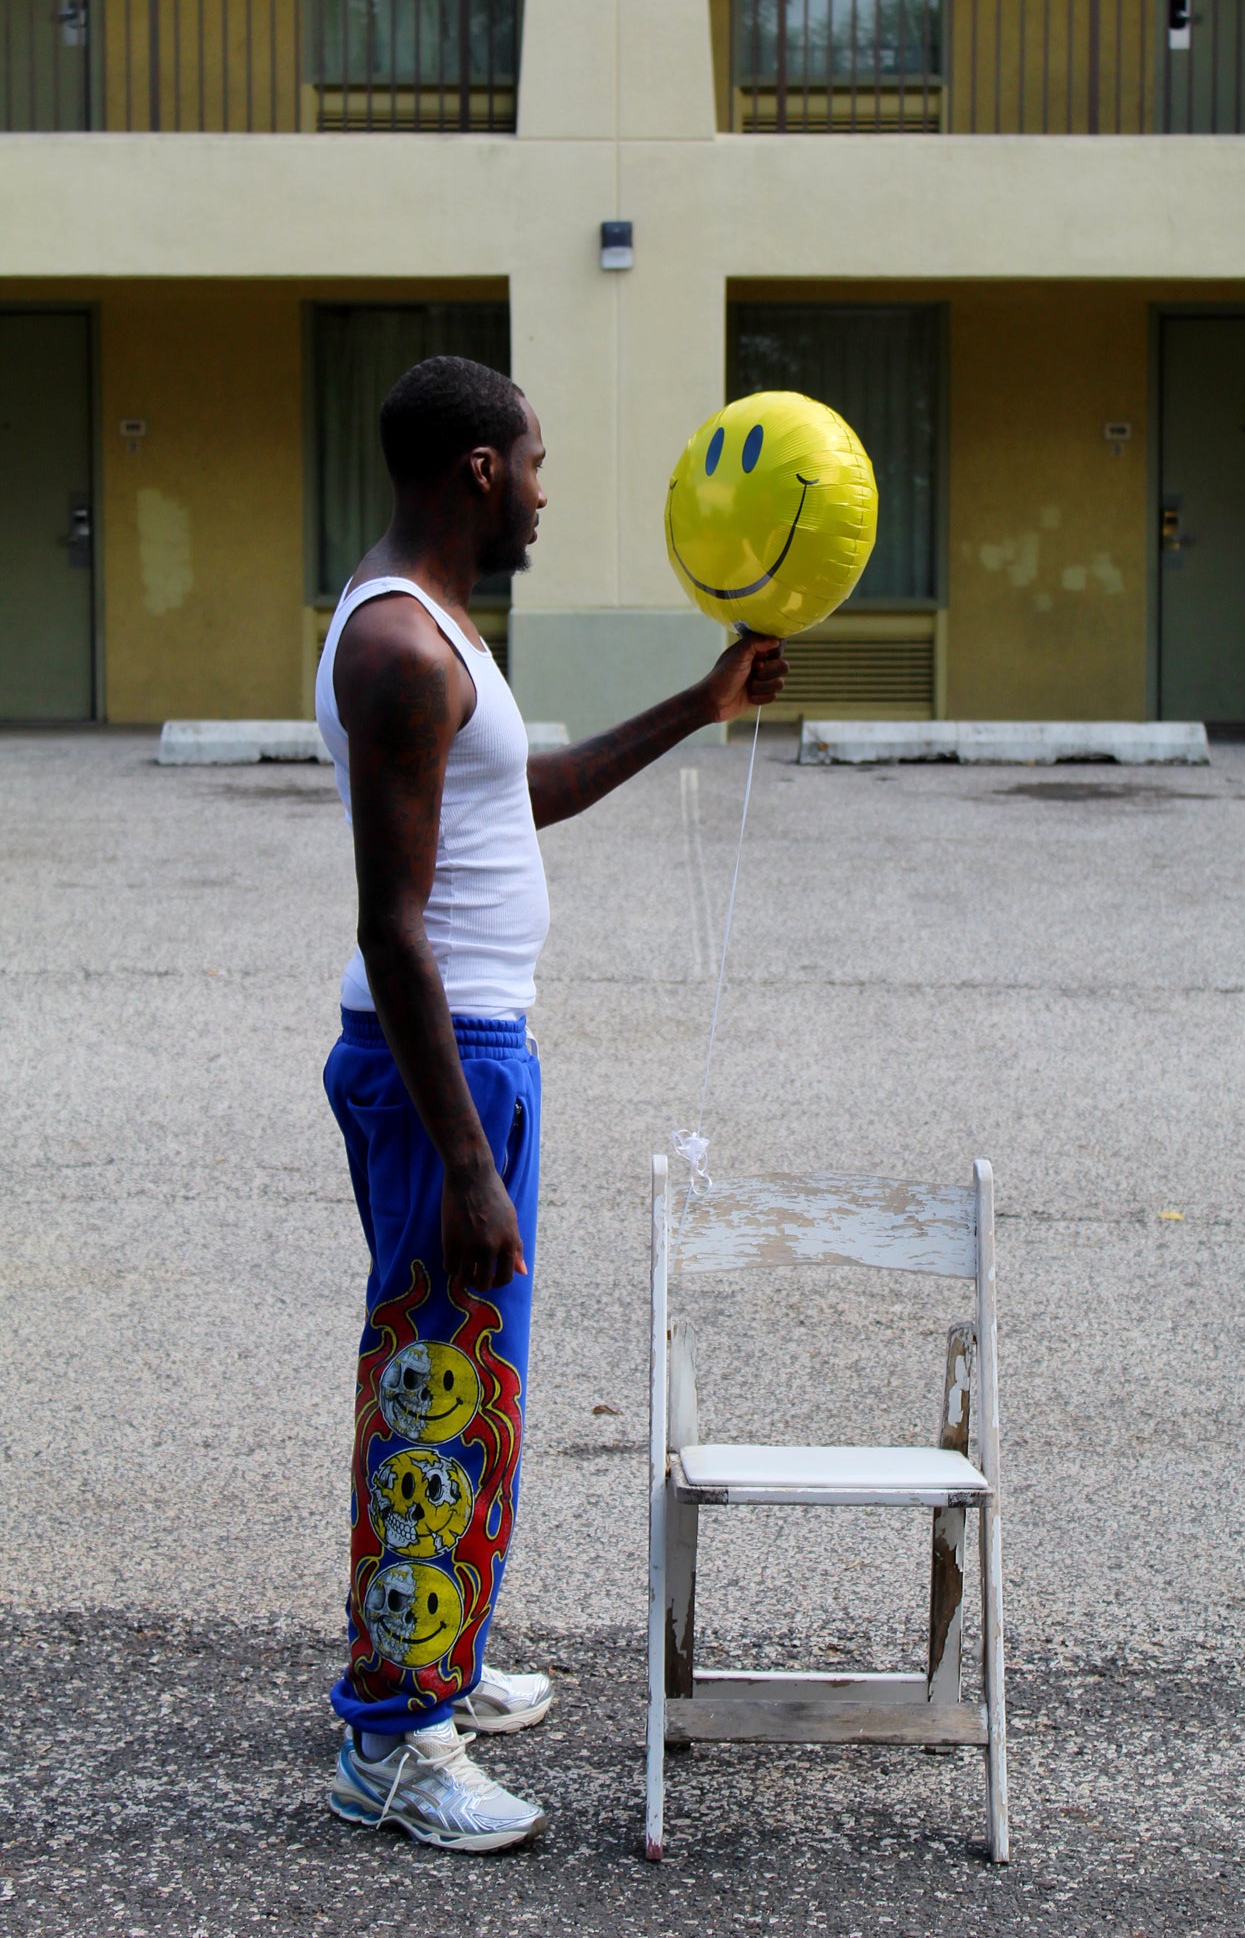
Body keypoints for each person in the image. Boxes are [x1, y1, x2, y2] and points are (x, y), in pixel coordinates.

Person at [315, 356, 786, 1852]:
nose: (543, 490)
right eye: (532, 462)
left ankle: (434, 1657)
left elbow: (527, 795)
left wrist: (699, 706)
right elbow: (396, 923)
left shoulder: (436, 629)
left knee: (466, 1382)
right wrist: (467, 1162)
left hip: (464, 1056)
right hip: (438, 1063)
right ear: (473, 470)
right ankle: (393, 1740)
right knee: (432, 1389)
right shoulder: (401, 646)